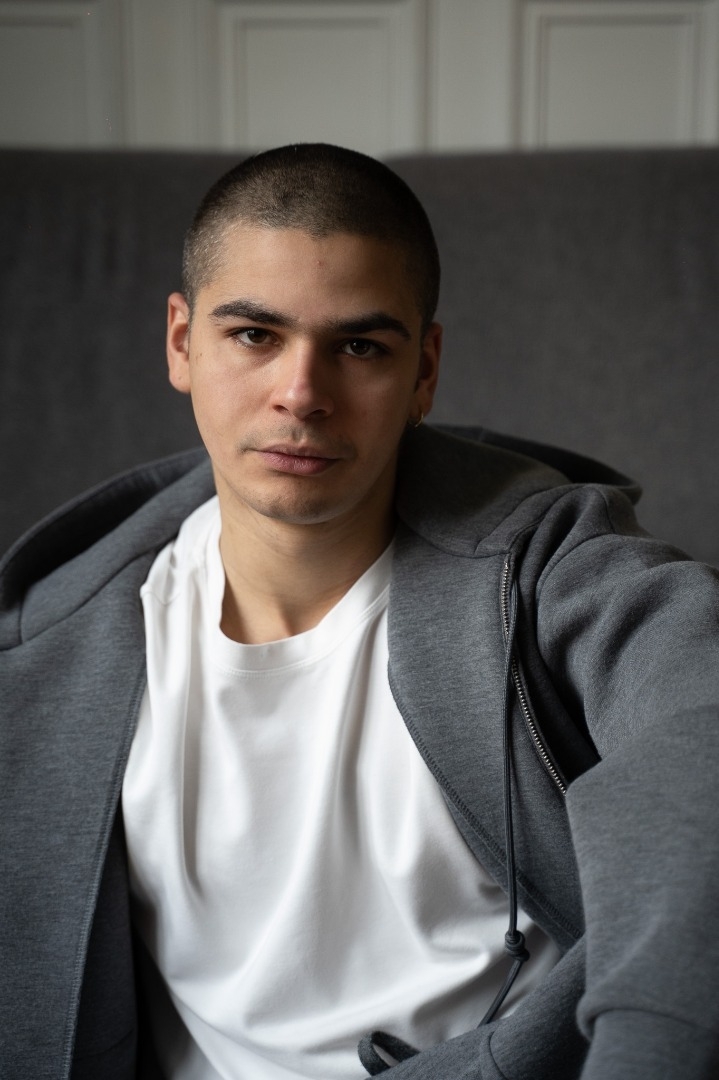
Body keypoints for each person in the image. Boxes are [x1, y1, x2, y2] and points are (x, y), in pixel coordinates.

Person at [1, 143, 718, 1080]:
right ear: (181, 343)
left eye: (359, 347)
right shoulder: (54, 651)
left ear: (423, 372)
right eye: (253, 335)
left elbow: (696, 724)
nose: (301, 394)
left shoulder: (553, 572)